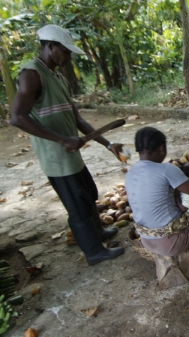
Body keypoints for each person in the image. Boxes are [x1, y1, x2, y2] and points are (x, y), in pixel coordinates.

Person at [10, 24, 124, 265]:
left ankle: (99, 233)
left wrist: (107, 143)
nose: (69, 57)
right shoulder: (31, 74)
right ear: (50, 46)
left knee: (89, 194)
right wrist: (62, 138)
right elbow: (17, 117)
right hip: (56, 157)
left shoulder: (57, 77)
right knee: (77, 205)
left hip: (71, 155)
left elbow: (77, 119)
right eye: (66, 51)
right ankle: (94, 252)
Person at [125, 127, 189, 257]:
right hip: (171, 243)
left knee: (180, 205)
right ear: (162, 148)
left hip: (146, 241)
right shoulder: (166, 169)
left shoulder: (130, 173)